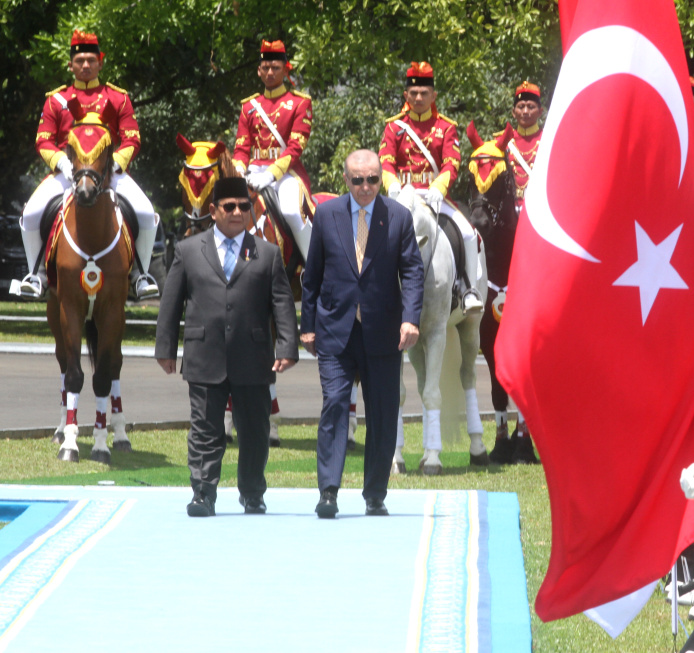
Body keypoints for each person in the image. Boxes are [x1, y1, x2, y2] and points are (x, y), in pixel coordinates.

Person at [155, 177, 298, 516]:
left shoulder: (268, 253)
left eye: (244, 206)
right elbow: (171, 303)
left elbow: (282, 304)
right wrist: (165, 348)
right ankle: (203, 493)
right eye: (229, 206)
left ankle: (252, 491)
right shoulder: (189, 251)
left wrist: (288, 347)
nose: (237, 212)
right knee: (205, 428)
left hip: (253, 355)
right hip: (204, 353)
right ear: (213, 211)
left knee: (255, 430)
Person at [300, 149, 424, 518]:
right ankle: (328, 492)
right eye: (358, 180)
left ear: (381, 177)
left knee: (383, 413)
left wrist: (410, 318)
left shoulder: (398, 217)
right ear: (346, 180)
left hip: (384, 331)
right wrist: (307, 326)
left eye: (373, 179)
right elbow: (313, 275)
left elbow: (413, 271)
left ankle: (375, 493)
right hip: (336, 330)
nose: (366, 186)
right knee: (335, 406)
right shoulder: (326, 215)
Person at [19, 30, 159, 300]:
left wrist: (117, 163)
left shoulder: (118, 98)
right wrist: (61, 162)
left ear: (100, 63)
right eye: (80, 60)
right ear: (70, 64)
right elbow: (43, 140)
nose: (85, 65)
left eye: (91, 60)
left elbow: (132, 137)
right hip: (67, 172)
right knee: (31, 215)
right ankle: (36, 275)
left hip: (108, 173)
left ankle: (140, 275)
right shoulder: (56, 100)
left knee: (145, 213)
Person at [378, 61, 482, 314]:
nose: (418, 97)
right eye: (413, 93)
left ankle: (468, 289)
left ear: (433, 95)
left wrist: (438, 187)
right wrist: (391, 186)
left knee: (468, 233)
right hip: (402, 196)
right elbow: (385, 160)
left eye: (424, 93)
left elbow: (452, 162)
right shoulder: (394, 127)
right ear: (406, 95)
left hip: (434, 196)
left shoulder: (446, 127)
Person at [232, 40, 314, 261]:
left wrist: (271, 174)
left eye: (275, 68)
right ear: (259, 71)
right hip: (252, 173)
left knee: (291, 211)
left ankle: (312, 266)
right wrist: (239, 170)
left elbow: (296, 147)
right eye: (266, 68)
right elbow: (241, 147)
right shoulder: (249, 107)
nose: (270, 72)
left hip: (285, 174)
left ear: (285, 69)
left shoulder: (299, 103)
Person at [499, 81, 543, 213]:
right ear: (513, 112)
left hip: (537, 209)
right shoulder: (502, 140)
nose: (525, 111)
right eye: (521, 106)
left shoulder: (548, 140)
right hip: (508, 212)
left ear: (540, 112)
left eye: (530, 107)